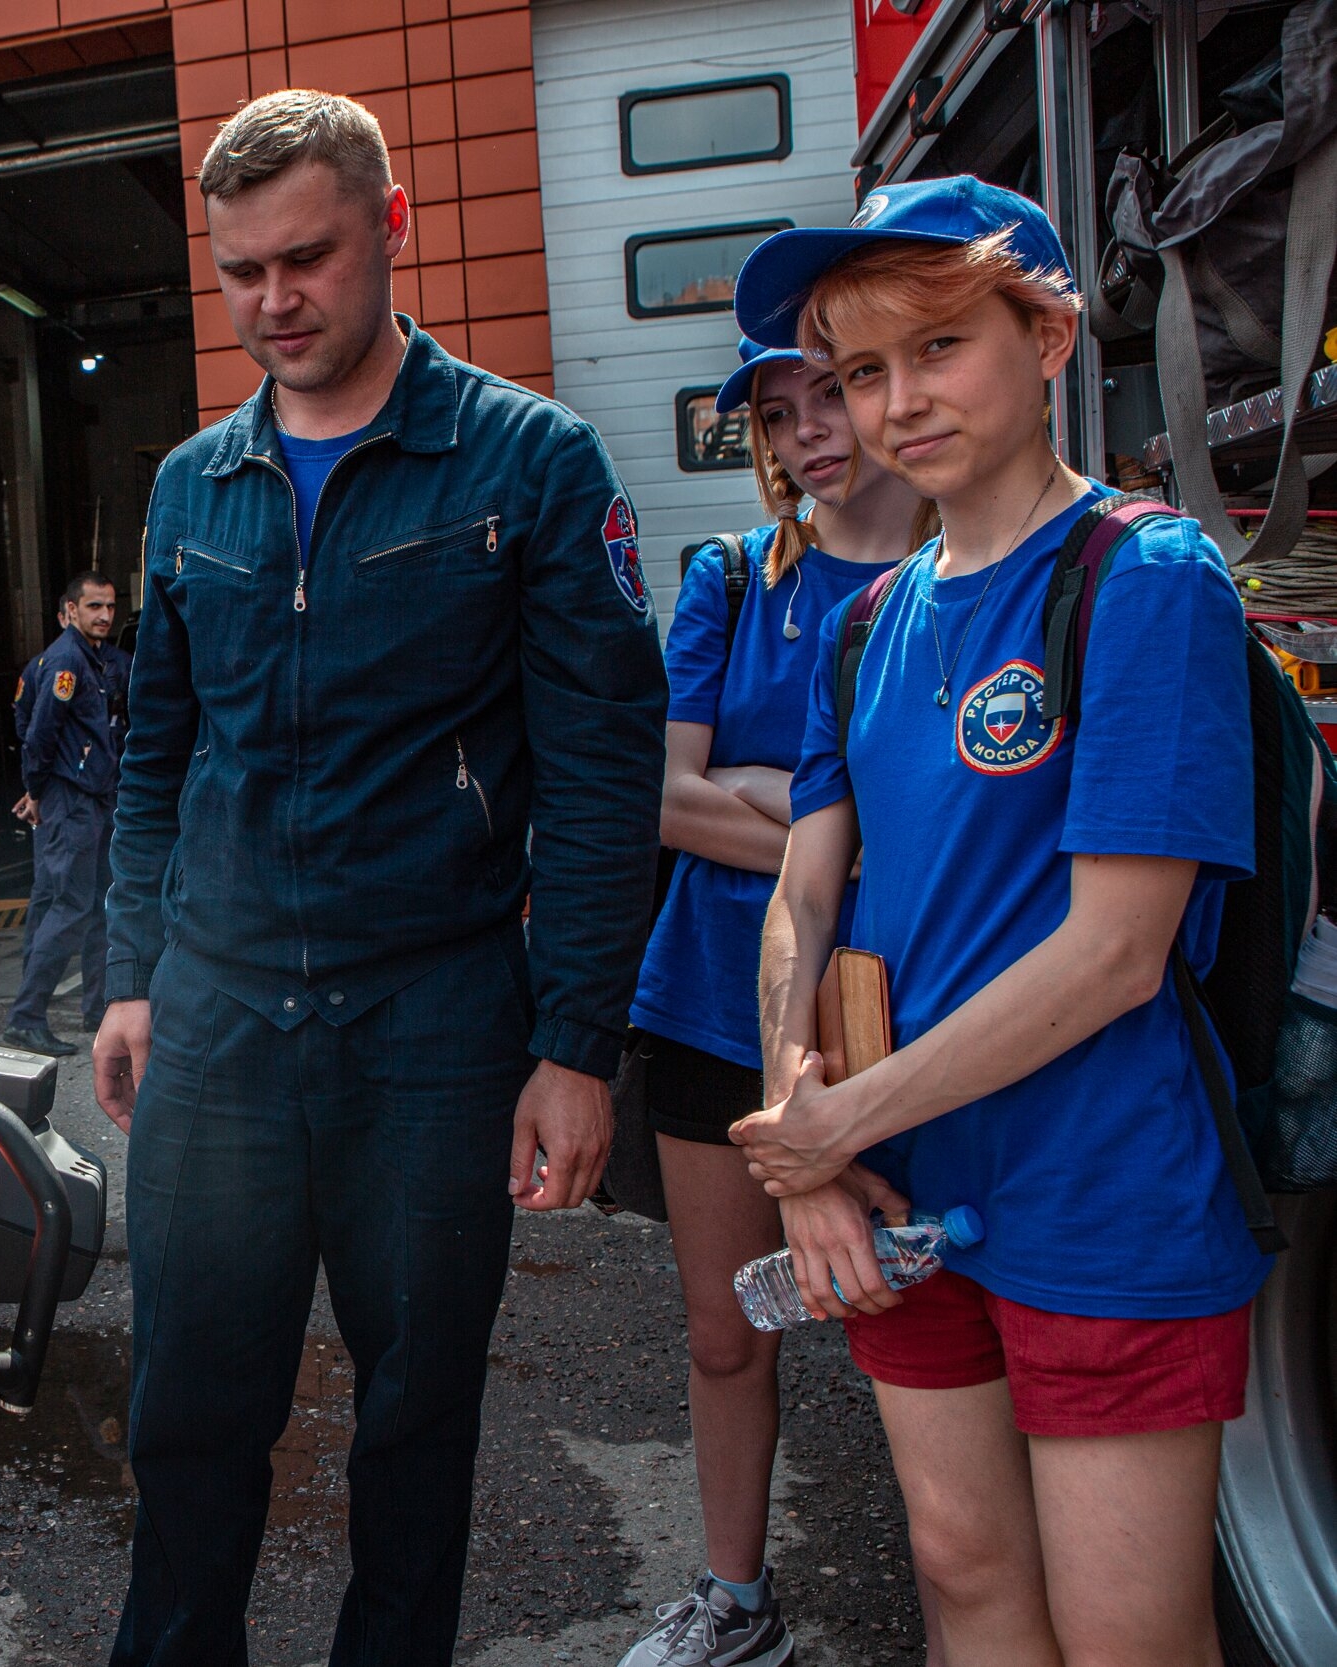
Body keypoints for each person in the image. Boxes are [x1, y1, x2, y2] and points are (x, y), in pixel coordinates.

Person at [93, 90, 668, 1665]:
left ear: (392, 226)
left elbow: (609, 774)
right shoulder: (188, 487)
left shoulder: (533, 463)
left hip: (434, 1019)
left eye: (309, 258)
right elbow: (155, 753)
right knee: (188, 1409)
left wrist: (574, 1043)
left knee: (417, 1418)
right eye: (240, 272)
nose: (274, 301)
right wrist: (131, 970)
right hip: (215, 1024)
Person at [732, 177, 1269, 1667]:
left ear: (1045, 337)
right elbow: (805, 890)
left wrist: (835, 1131)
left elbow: (1114, 951)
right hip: (906, 1196)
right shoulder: (864, 622)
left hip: (1104, 1191)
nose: (895, 402)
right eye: (855, 372)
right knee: (963, 1575)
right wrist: (799, 1127)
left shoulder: (1142, 576)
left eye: (937, 347)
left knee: (1129, 1633)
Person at [619, 336, 932, 1667]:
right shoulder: (735, 579)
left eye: (830, 396)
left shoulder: (960, 575)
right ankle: (736, 1599)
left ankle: (973, 1591)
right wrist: (843, 829)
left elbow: (722, 795)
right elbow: (659, 791)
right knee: (727, 1319)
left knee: (926, 1323)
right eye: (779, 411)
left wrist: (759, 793)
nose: (811, 431)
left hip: (911, 1011)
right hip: (708, 1001)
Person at [3, 569, 130, 1057]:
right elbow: (36, 732)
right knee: (69, 905)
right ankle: (27, 1016)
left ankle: (96, 1010)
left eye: (110, 606)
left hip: (93, 797)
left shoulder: (95, 661)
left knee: (94, 902)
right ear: (70, 610)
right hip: (70, 800)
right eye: (94, 606)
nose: (104, 615)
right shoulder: (65, 662)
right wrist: (37, 789)